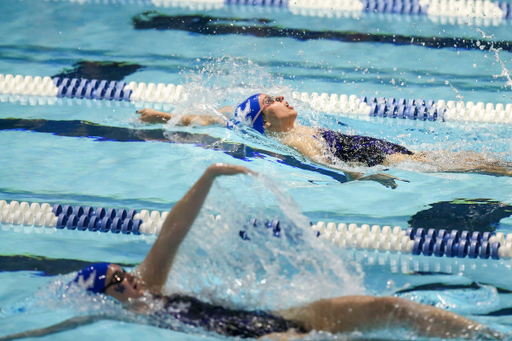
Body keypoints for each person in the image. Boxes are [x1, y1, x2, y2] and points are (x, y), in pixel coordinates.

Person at [0, 164, 503, 341]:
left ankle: (491, 336)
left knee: (391, 308)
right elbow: (65, 326)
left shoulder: (151, 283)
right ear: (105, 298)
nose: (127, 279)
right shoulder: (132, 315)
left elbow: (173, 232)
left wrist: (208, 177)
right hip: (266, 340)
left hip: (280, 315)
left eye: (122, 272)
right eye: (116, 282)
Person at [136, 93, 512, 188]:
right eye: (272, 101)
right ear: (263, 120)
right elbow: (332, 167)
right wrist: (372, 176)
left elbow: (215, 114)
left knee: (457, 156)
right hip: (373, 159)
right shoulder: (297, 143)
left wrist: (167, 116)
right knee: (459, 162)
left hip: (372, 146)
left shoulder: (282, 129)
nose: (282, 98)